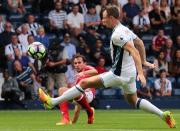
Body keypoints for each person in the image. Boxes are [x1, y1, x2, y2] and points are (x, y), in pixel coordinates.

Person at [39, 5, 176, 128]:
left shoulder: (117, 35)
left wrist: (141, 71)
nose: (103, 21)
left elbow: (134, 50)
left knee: (84, 82)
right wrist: (144, 61)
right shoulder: (125, 29)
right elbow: (139, 42)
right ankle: (163, 115)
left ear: (111, 18)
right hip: (130, 74)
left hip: (119, 74)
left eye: (104, 18)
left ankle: (52, 101)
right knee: (133, 100)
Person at [56, 54, 96, 125]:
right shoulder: (77, 77)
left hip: (88, 95)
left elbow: (95, 71)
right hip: (80, 96)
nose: (77, 65)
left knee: (76, 92)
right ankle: (66, 119)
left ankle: (89, 111)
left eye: (79, 62)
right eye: (75, 63)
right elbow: (78, 107)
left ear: (85, 63)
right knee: (61, 90)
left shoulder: (86, 68)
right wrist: (73, 122)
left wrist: (83, 73)